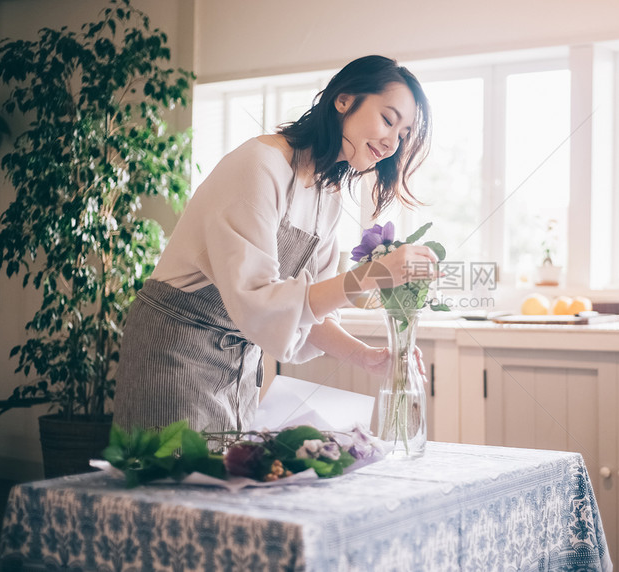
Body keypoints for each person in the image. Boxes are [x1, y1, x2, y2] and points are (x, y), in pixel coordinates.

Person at [113, 55, 438, 435]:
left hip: (237, 366)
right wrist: (371, 276)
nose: (392, 141)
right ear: (344, 99)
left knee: (229, 488)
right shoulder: (259, 164)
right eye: (387, 119)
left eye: (403, 134)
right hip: (173, 353)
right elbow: (258, 300)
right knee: (171, 489)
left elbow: (306, 312)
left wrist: (366, 359)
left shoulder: (326, 194)